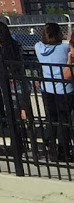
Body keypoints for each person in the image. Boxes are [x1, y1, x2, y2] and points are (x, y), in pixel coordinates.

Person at [35, 22, 73, 163]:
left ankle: (51, 150)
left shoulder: (38, 47)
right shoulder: (64, 48)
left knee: (51, 120)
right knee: (64, 121)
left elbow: (41, 43)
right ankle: (64, 151)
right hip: (64, 89)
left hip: (47, 89)